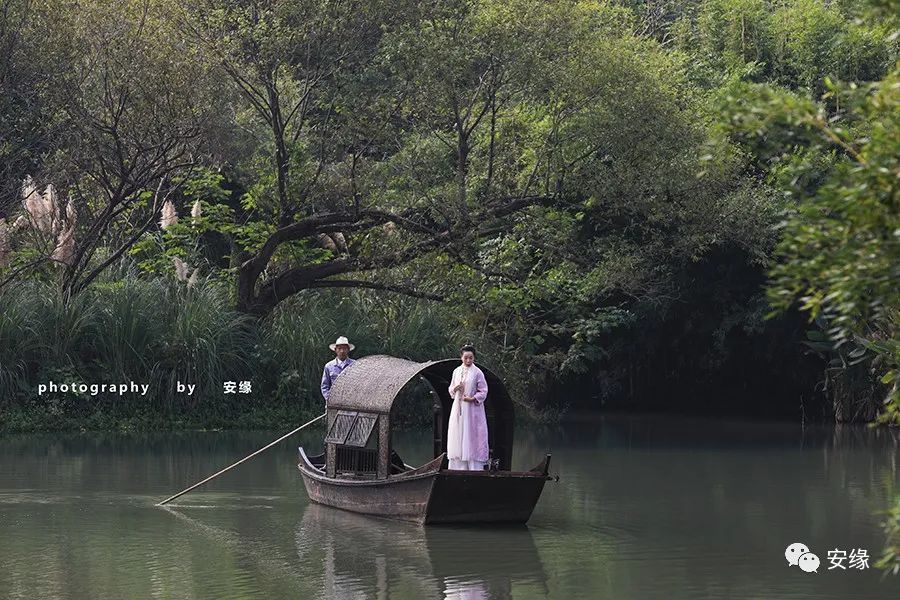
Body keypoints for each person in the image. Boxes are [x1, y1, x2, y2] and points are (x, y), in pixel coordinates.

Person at [447, 345, 489, 470]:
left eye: (471, 358)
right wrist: (455, 389)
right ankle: (458, 467)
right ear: (461, 357)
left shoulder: (477, 372)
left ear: (474, 358)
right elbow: (451, 389)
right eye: (466, 358)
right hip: (458, 408)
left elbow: (483, 391)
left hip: (472, 410)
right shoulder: (456, 371)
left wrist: (472, 398)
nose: (468, 361)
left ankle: (474, 467)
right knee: (458, 433)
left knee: (472, 435)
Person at [320, 336, 356, 402]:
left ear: (348, 350)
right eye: (339, 348)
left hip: (351, 402)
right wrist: (329, 399)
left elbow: (359, 384)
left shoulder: (355, 365)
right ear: (335, 350)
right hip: (333, 403)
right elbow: (325, 386)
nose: (342, 351)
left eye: (344, 348)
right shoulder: (329, 366)